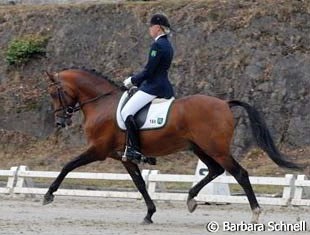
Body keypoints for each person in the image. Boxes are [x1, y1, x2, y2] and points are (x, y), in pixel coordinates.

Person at [121, 13, 175, 164]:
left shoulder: (157, 46)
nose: (150, 30)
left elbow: (149, 71)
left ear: (158, 28)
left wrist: (131, 81)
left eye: (151, 27)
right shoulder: (168, 45)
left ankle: (135, 149)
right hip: (164, 86)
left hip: (153, 87)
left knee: (126, 112)